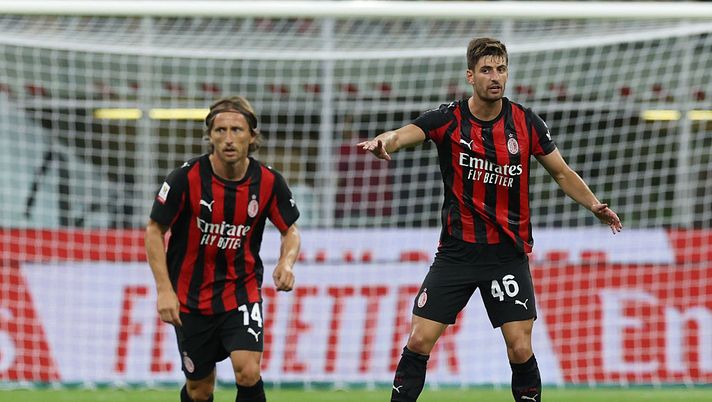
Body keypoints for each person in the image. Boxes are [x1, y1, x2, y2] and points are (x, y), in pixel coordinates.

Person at [358, 38, 622, 402]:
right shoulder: (448, 119)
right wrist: (386, 141)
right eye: (486, 70)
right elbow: (406, 133)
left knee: (519, 347)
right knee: (419, 339)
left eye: (500, 69)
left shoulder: (526, 122)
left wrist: (595, 205)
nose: (495, 77)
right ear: (470, 76)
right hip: (457, 253)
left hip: (506, 256)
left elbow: (561, 172)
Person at [145, 96, 301, 402]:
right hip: (190, 298)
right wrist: (164, 290)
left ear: (252, 137)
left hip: (240, 292)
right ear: (210, 136)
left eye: (237, 130)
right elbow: (154, 230)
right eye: (220, 130)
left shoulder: (269, 182)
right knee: (200, 390)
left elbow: (290, 230)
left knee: (248, 371)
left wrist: (286, 263)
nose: (228, 139)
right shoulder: (185, 178)